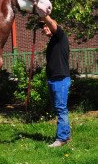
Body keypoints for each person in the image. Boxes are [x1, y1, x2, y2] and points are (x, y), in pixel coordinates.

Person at [40, 15, 71, 147]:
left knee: (61, 109)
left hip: (61, 79)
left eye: (47, 25)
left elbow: (52, 23)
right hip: (53, 79)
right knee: (59, 108)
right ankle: (66, 135)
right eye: (43, 26)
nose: (45, 28)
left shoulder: (60, 36)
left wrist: (43, 14)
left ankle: (61, 139)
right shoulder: (53, 40)